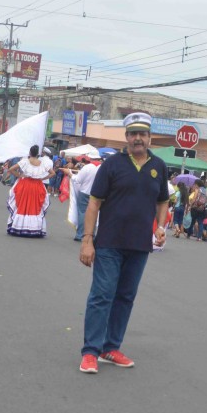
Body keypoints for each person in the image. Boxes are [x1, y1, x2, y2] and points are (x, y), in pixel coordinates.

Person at [78, 113, 169, 374]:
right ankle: (90, 351)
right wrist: (87, 240)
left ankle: (110, 347)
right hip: (109, 242)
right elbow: (94, 203)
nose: (138, 138)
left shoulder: (159, 166)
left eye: (142, 134)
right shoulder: (112, 165)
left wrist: (160, 226)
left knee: (126, 297)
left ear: (149, 137)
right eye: (133, 134)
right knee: (102, 295)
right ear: (126, 137)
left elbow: (163, 200)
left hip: (139, 245)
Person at [6, 145, 54, 237]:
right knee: (34, 206)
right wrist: (43, 178)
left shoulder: (25, 161)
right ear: (38, 154)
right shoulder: (43, 163)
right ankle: (34, 228)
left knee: (22, 204)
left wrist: (19, 176)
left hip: (25, 184)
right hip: (37, 185)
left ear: (30, 152)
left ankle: (19, 226)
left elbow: (11, 169)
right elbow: (53, 173)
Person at [72, 158, 100, 242]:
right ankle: (91, 235)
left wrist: (70, 174)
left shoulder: (87, 167)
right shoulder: (102, 167)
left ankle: (80, 234)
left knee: (82, 213)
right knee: (94, 213)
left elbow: (78, 180)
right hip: (97, 194)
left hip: (85, 192)